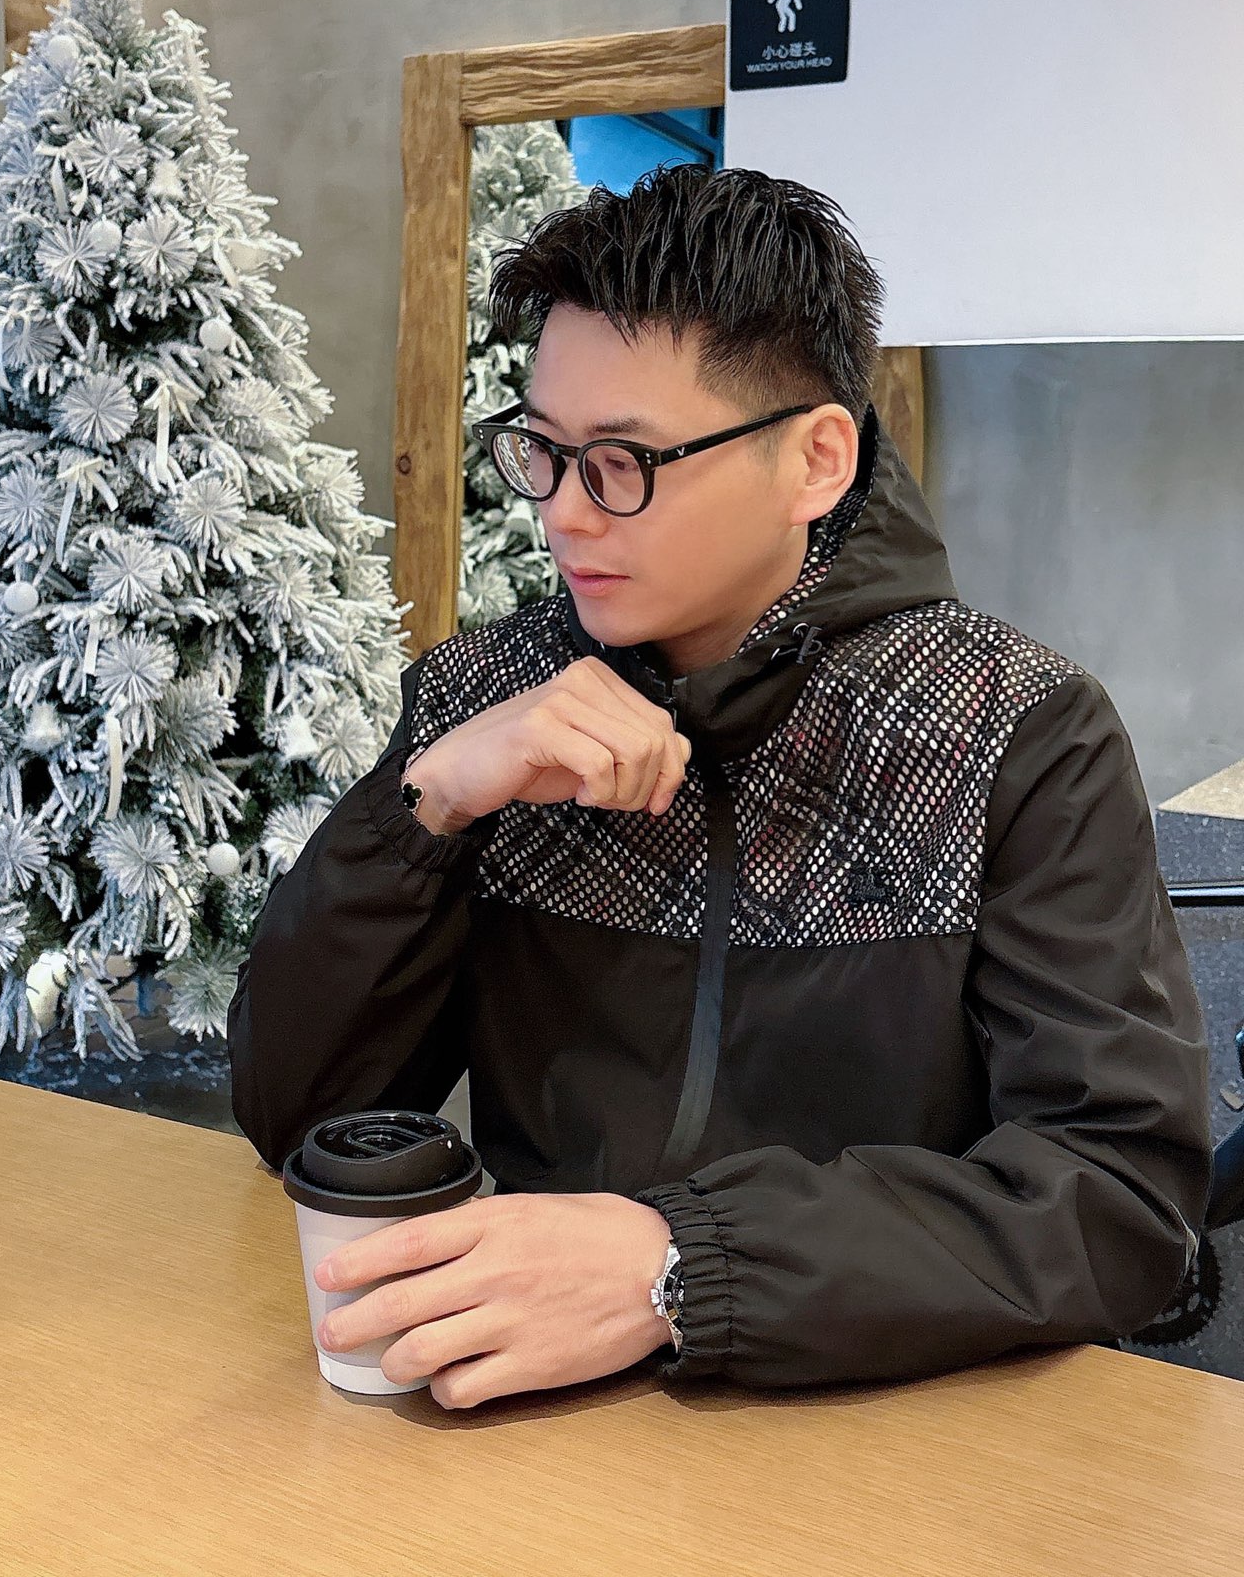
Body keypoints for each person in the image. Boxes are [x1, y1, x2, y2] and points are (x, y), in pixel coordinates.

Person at [227, 163, 1212, 1411]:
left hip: (889, 1416)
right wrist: (429, 810)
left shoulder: (1011, 730)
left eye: (625, 461)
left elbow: (1116, 1197)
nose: (567, 515)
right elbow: (300, 1117)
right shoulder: (493, 700)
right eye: (545, 452)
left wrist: (678, 1264)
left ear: (816, 460)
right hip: (533, 1409)